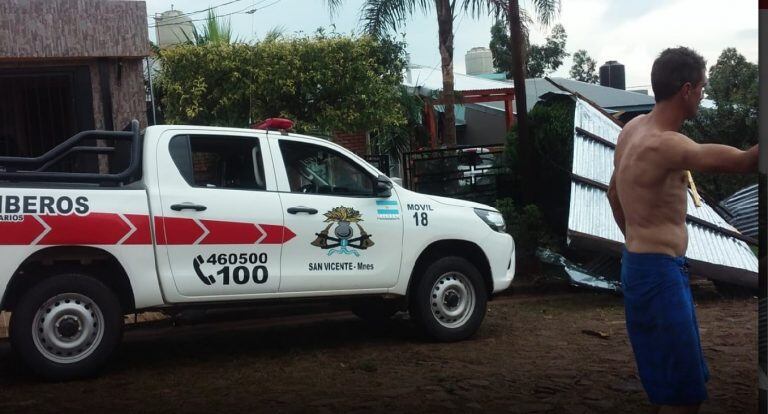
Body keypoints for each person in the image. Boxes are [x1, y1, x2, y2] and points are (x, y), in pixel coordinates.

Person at [607, 46, 758, 414]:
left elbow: (612, 192)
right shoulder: (667, 144)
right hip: (659, 275)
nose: (703, 95)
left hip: (642, 267)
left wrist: (634, 238)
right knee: (683, 398)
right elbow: (744, 162)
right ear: (687, 90)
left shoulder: (631, 130)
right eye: (703, 88)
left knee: (672, 386)